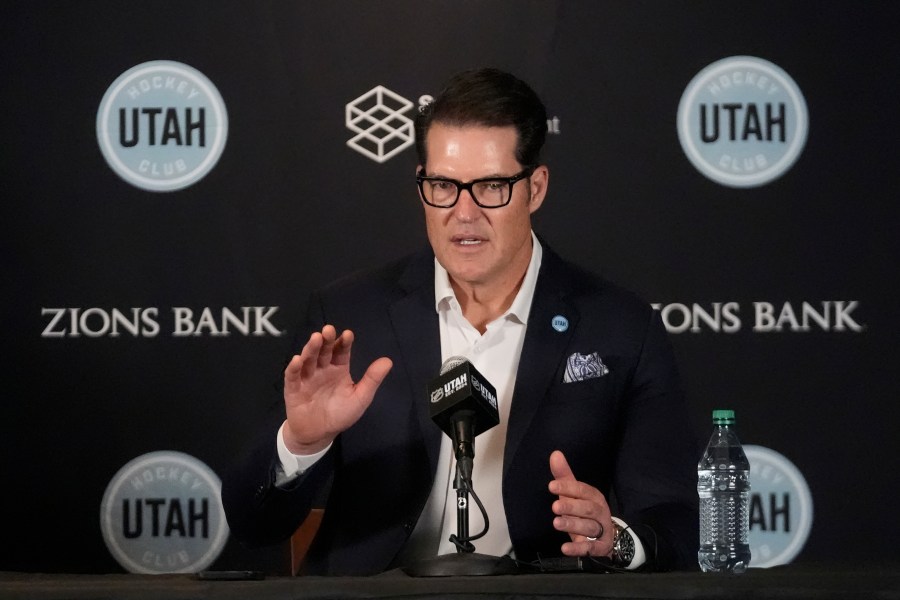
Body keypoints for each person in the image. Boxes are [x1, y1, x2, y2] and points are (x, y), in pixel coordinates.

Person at [222, 68, 699, 575]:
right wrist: (302, 444)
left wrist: (614, 540)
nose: (463, 213)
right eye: (444, 186)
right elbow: (254, 526)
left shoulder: (620, 327)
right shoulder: (347, 319)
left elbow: (674, 523)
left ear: (535, 189)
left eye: (491, 186)